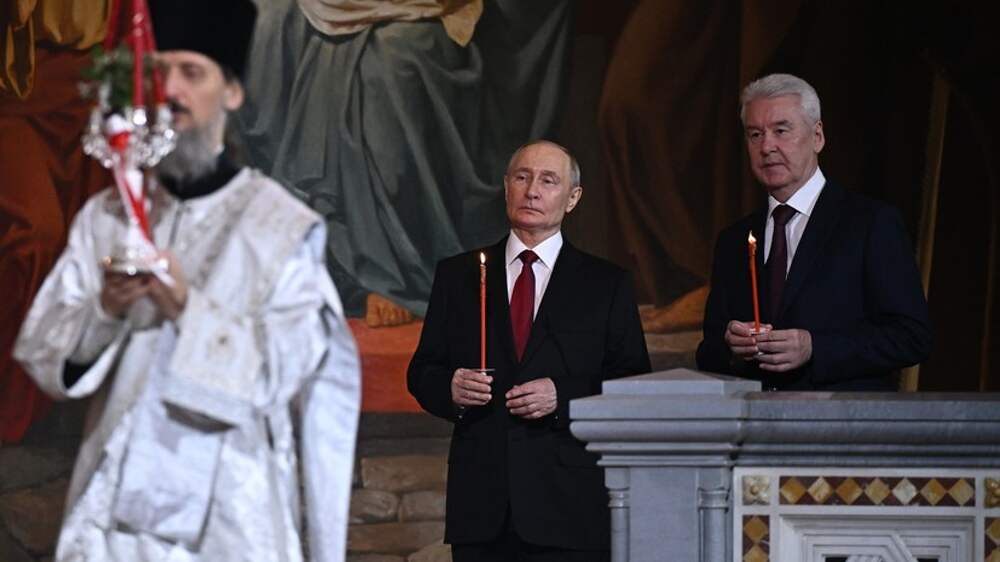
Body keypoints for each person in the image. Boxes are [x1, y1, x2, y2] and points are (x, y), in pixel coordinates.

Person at [13, 1, 361, 560]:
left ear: (233, 92)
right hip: (112, 522)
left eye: (191, 73)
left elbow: (286, 378)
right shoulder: (107, 217)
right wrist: (104, 310)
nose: (169, 91)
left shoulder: (282, 228)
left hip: (232, 520)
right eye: (157, 73)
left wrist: (186, 308)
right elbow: (41, 352)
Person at [236, 0, 574, 327]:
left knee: (393, 61)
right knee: (268, 23)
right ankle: (309, 265)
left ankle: (387, 275)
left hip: (426, 10)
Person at [407, 140, 651, 561]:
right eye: (522, 177)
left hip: (570, 508)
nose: (532, 190)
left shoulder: (606, 284)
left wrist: (563, 396)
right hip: (481, 509)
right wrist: (451, 387)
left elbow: (632, 382)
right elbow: (422, 371)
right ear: (507, 188)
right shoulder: (458, 276)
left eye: (548, 180)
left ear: (572, 198)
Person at [696, 73, 932, 391]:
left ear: (817, 136)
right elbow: (708, 353)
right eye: (755, 134)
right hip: (755, 420)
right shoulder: (734, 239)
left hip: (842, 419)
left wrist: (815, 348)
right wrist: (730, 347)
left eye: (781, 130)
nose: (766, 146)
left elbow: (912, 337)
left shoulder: (871, 223)